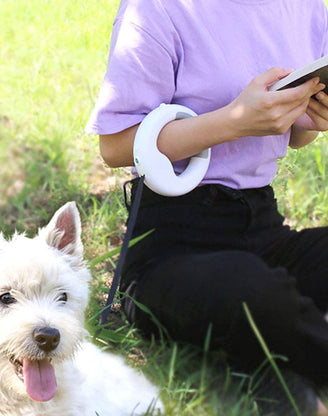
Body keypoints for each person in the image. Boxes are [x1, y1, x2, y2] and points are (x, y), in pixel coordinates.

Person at [86, 0, 328, 414]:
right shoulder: (157, 10)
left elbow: (294, 136)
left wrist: (314, 118)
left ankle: (278, 365)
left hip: (263, 228)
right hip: (171, 243)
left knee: (260, 292)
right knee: (253, 293)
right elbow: (115, 145)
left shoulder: (304, 8)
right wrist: (234, 119)